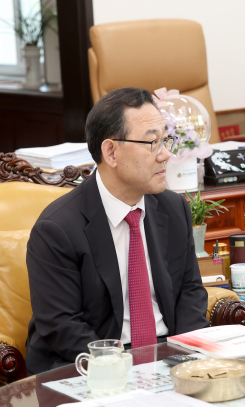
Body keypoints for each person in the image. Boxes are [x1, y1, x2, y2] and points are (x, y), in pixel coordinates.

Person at [25, 87, 209, 375]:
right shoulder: (57, 228)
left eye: (166, 140)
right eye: (152, 143)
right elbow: (61, 325)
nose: (165, 155)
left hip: (167, 358)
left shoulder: (174, 209)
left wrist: (187, 357)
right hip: (87, 365)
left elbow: (190, 291)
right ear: (111, 151)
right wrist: (126, 370)